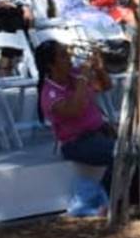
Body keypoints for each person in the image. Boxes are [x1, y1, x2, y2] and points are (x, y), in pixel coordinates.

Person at [37, 38, 117, 192]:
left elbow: (106, 86)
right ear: (50, 65)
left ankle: (129, 194)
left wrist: (99, 69)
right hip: (77, 143)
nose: (69, 59)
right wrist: (83, 77)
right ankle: (105, 195)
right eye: (63, 56)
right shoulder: (50, 93)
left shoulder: (75, 76)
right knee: (123, 154)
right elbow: (75, 109)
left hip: (101, 133)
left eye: (68, 54)